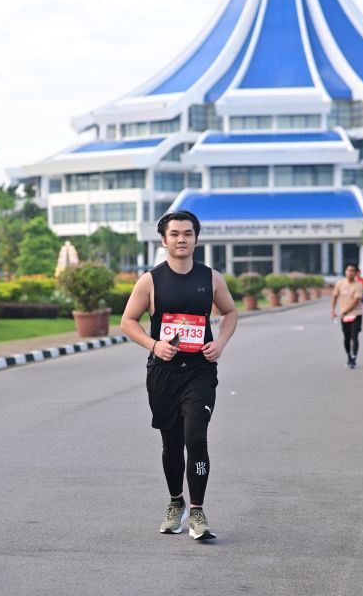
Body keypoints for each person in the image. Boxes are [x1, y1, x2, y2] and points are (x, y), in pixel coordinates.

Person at [121, 210, 237, 540]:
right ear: (164, 240)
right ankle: (176, 503)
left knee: (196, 438)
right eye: (175, 234)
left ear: (196, 239)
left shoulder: (211, 278)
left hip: (200, 371)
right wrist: (154, 344)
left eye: (188, 233)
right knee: (171, 443)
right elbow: (128, 321)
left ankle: (198, 511)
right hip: (164, 374)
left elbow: (230, 312)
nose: (181, 239)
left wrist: (220, 343)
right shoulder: (150, 280)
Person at [331, 263, 363, 369]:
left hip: (356, 314)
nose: (350, 272)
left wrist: (345, 311)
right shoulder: (340, 283)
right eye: (348, 270)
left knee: (354, 336)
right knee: (346, 337)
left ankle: (354, 358)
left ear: (356, 273)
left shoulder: (359, 285)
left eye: (352, 271)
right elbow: (334, 297)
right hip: (344, 316)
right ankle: (349, 356)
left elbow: (356, 300)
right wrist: (333, 310)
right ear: (345, 272)